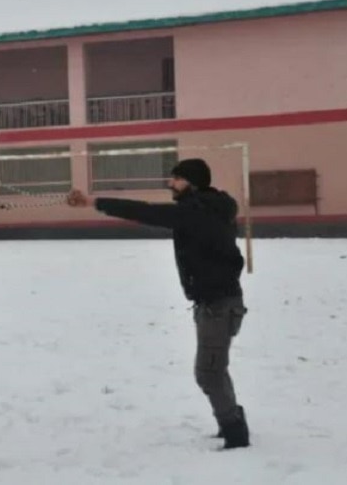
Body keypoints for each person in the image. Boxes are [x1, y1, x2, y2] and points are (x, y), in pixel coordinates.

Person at [67, 158, 250, 449]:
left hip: (219, 305)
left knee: (208, 372)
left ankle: (235, 432)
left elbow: (146, 212)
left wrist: (93, 201)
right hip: (212, 303)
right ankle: (232, 421)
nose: (170, 184)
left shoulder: (199, 212)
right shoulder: (207, 207)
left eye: (176, 179)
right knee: (215, 369)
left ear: (192, 182)